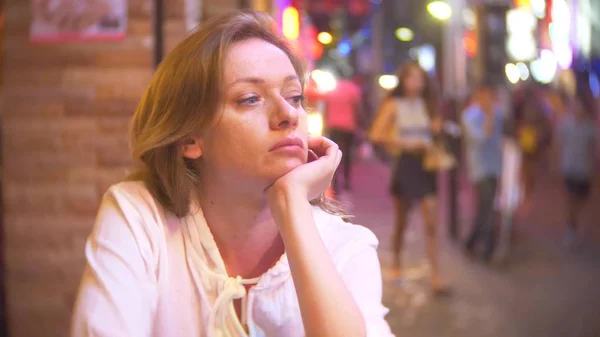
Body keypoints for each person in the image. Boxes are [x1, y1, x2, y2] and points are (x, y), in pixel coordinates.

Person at [70, 10, 393, 337]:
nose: (288, 115)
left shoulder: (345, 247)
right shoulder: (141, 216)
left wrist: (292, 205)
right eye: (250, 99)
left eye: (294, 96)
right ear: (189, 138)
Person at [372, 61, 446, 293]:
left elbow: (433, 132)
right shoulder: (394, 104)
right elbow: (376, 134)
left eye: (420, 78)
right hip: (405, 164)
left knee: (432, 222)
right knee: (402, 221)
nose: (417, 83)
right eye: (412, 78)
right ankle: (396, 263)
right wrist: (404, 142)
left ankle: (435, 275)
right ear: (403, 81)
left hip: (426, 165)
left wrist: (435, 130)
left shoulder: (428, 104)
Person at [462, 84, 504, 262]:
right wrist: (488, 116)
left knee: (487, 207)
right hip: (479, 168)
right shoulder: (470, 115)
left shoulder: (498, 113)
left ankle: (471, 242)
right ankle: (487, 248)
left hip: (494, 166)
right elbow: (480, 138)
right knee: (487, 206)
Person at [558, 93, 597, 248]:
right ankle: (570, 228)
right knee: (571, 199)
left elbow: (593, 149)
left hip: (584, 170)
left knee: (581, 199)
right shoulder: (565, 124)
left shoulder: (590, 127)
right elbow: (559, 144)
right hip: (569, 168)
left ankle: (574, 225)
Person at [323, 68, 362, 193]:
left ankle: (334, 181)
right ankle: (346, 180)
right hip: (348, 126)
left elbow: (326, 108)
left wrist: (325, 125)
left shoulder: (332, 90)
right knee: (347, 154)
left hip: (333, 125)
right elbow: (357, 108)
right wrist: (360, 124)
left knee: (333, 153)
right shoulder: (353, 89)